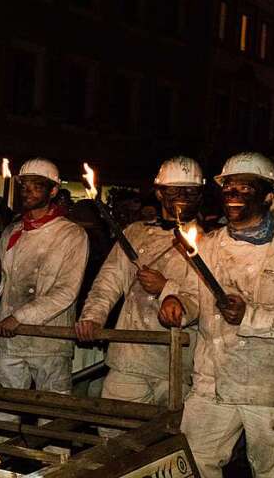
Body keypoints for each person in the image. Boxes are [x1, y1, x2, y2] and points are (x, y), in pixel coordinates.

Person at [159, 152, 274, 477]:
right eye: (229, 188)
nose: (233, 196)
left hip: (267, 387)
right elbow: (192, 295)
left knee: (271, 471)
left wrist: (250, 316)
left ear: (269, 196)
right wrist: (178, 304)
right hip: (211, 380)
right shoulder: (207, 244)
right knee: (194, 464)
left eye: (245, 189)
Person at [75, 157, 201, 412]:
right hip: (129, 356)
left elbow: (206, 299)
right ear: (159, 192)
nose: (182, 196)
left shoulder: (210, 240)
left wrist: (166, 288)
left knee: (171, 436)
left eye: (190, 191)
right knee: (114, 429)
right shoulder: (135, 232)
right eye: (174, 190)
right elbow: (108, 280)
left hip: (177, 362)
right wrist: (93, 317)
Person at [0, 158, 89, 401]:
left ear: (53, 190)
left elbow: (66, 291)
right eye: (24, 185)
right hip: (9, 341)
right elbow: (4, 285)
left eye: (37, 186)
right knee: (5, 411)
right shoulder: (12, 231)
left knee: (53, 415)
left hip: (50, 341)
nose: (28, 191)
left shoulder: (72, 234)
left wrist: (21, 318)